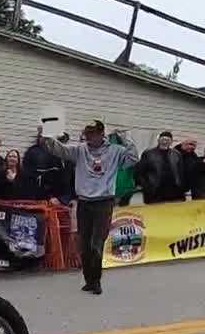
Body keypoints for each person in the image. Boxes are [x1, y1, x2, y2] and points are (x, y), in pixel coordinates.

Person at [41, 120, 138, 295]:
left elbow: (132, 160)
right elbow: (59, 150)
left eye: (93, 133)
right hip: (84, 202)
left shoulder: (115, 151)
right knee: (83, 244)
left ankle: (97, 280)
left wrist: (126, 140)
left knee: (96, 243)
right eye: (87, 133)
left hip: (104, 202)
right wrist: (48, 136)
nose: (89, 136)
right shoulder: (80, 150)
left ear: (102, 134)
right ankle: (88, 280)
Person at [19, 130, 69, 203]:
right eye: (40, 136)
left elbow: (59, 173)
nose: (42, 139)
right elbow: (25, 169)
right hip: (32, 189)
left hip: (51, 192)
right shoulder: (32, 150)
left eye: (45, 137)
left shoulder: (55, 152)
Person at [135, 131, 183, 204]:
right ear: (158, 140)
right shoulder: (149, 153)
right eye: (163, 139)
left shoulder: (176, 154)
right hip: (155, 191)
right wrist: (146, 186)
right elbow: (139, 172)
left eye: (168, 140)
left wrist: (180, 186)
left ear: (171, 142)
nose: (165, 141)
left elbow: (180, 172)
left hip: (173, 191)